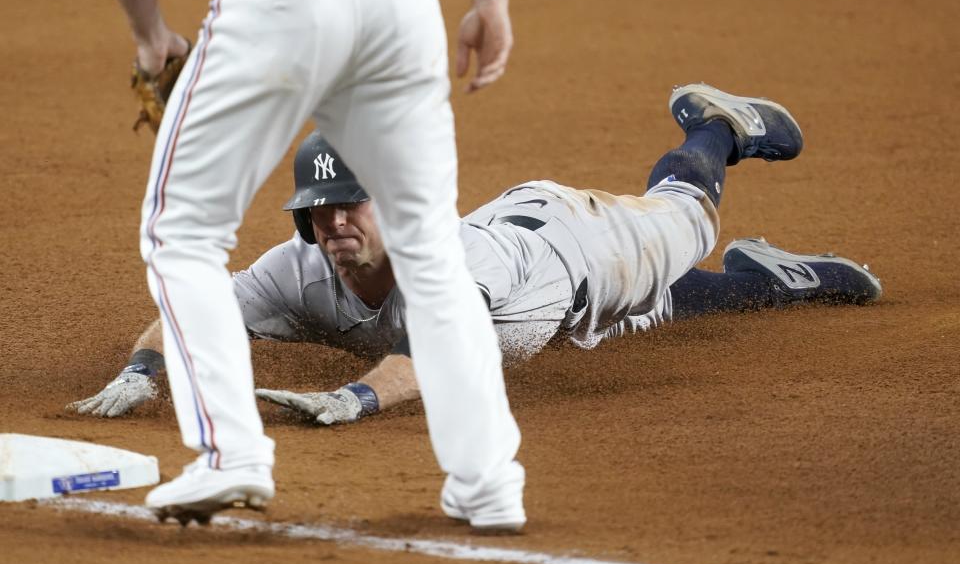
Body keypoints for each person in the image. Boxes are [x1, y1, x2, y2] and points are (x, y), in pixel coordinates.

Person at [71, 83, 881, 438]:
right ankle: (773, 278)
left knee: (687, 220)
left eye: (351, 205)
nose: (334, 223)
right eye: (318, 211)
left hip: (576, 242)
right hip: (549, 311)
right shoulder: (296, 268)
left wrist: (355, 401)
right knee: (661, 309)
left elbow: (431, 353)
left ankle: (718, 128)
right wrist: (142, 371)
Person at [96, 0, 524, 530]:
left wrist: (150, 37)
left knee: (183, 234)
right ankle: (489, 486)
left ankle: (230, 455)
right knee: (428, 245)